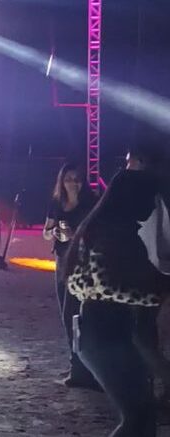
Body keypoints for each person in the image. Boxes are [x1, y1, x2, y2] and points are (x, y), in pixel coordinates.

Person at [66, 145, 170, 437]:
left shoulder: (103, 228)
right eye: (148, 199)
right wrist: (159, 291)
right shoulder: (112, 234)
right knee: (137, 419)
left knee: (141, 419)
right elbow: (110, 285)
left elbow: (80, 282)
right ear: (132, 199)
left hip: (102, 334)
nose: (151, 206)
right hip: (106, 336)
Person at [42, 163, 98, 390]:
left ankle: (83, 368)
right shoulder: (56, 202)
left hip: (82, 263)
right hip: (61, 261)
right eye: (68, 179)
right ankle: (76, 364)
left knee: (75, 313)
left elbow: (97, 232)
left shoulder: (90, 203)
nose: (73, 183)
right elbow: (45, 232)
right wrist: (54, 232)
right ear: (61, 181)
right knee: (66, 316)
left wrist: (75, 235)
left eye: (77, 179)